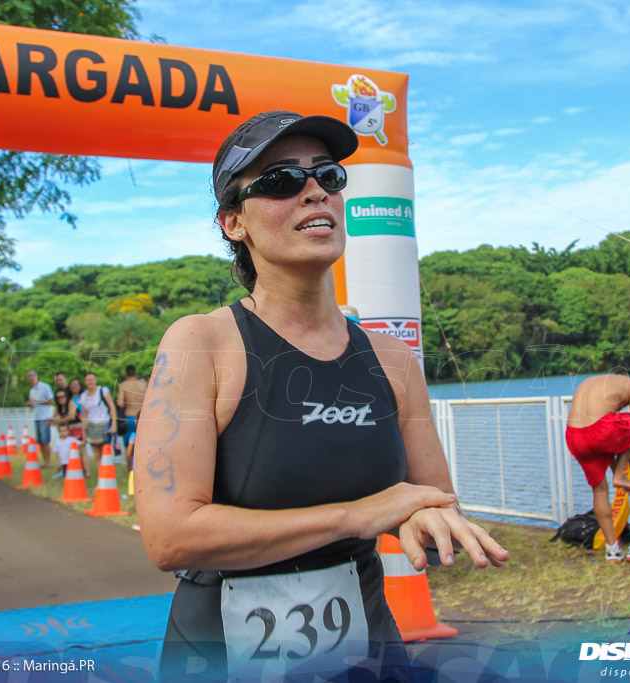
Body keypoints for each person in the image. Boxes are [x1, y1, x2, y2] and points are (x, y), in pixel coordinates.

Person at [134, 111, 508, 681]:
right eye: (281, 181)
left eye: (327, 176)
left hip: (367, 651)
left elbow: (434, 505)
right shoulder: (202, 342)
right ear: (234, 223)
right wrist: (357, 516)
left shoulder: (392, 359)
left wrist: (427, 522)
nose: (314, 192)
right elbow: (171, 538)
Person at [565, 367, 630, 563]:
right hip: (598, 432)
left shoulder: (591, 381)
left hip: (574, 436)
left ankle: (612, 549)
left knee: (599, 490)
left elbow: (597, 439)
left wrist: (616, 469)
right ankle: (620, 476)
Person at [79, 372, 117, 464]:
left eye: (92, 379)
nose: (90, 382)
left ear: (95, 380)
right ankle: (101, 475)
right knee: (96, 454)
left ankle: (108, 475)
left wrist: (114, 424)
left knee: (105, 452)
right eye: (88, 380)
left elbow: (112, 406)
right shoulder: (83, 395)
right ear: (85, 382)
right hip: (92, 426)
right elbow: (84, 415)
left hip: (104, 423)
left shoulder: (103, 390)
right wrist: (84, 433)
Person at [117, 364, 147, 450]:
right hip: (142, 418)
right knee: (142, 447)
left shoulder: (123, 385)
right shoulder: (143, 385)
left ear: (125, 374)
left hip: (129, 418)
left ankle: (129, 463)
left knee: (128, 447)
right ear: (136, 373)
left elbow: (120, 403)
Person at [25, 369, 53, 460]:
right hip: (36, 417)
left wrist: (37, 401)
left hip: (44, 417)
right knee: (40, 442)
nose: (31, 378)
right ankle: (45, 462)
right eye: (29, 376)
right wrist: (30, 404)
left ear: (36, 376)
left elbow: (51, 401)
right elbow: (33, 405)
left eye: (32, 375)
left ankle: (48, 462)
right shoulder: (31, 390)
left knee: (45, 441)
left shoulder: (45, 387)